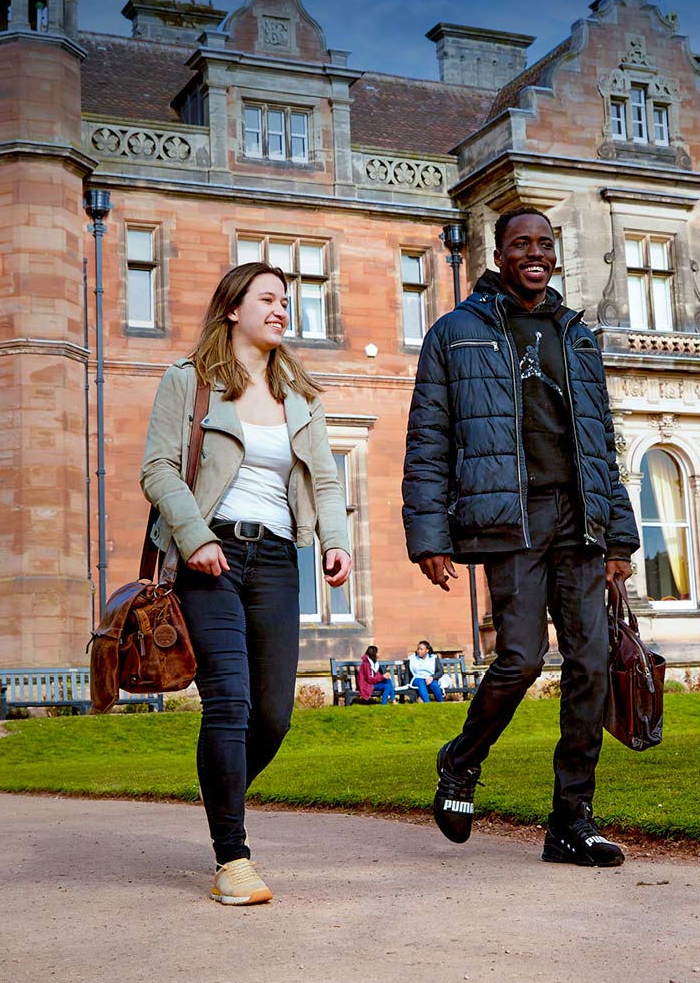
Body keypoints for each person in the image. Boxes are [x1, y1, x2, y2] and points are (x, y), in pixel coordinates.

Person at [403, 207, 638, 867]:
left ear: (554, 255)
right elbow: (428, 440)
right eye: (520, 244)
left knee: (591, 664)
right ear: (498, 253)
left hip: (580, 519)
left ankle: (572, 821)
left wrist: (619, 538)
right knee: (523, 659)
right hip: (511, 518)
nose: (534, 253)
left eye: (544, 244)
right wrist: (429, 535)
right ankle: (461, 759)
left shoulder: (577, 337)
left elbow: (602, 446)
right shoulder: (455, 334)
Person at [142, 261, 354, 906]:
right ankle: (232, 857)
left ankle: (219, 787)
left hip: (278, 562)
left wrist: (336, 539)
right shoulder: (190, 383)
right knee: (229, 705)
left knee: (273, 715)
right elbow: (157, 470)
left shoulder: (301, 396)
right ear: (233, 308)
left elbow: (325, 478)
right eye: (267, 299)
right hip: (212, 557)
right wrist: (195, 536)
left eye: (285, 301)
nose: (281, 310)